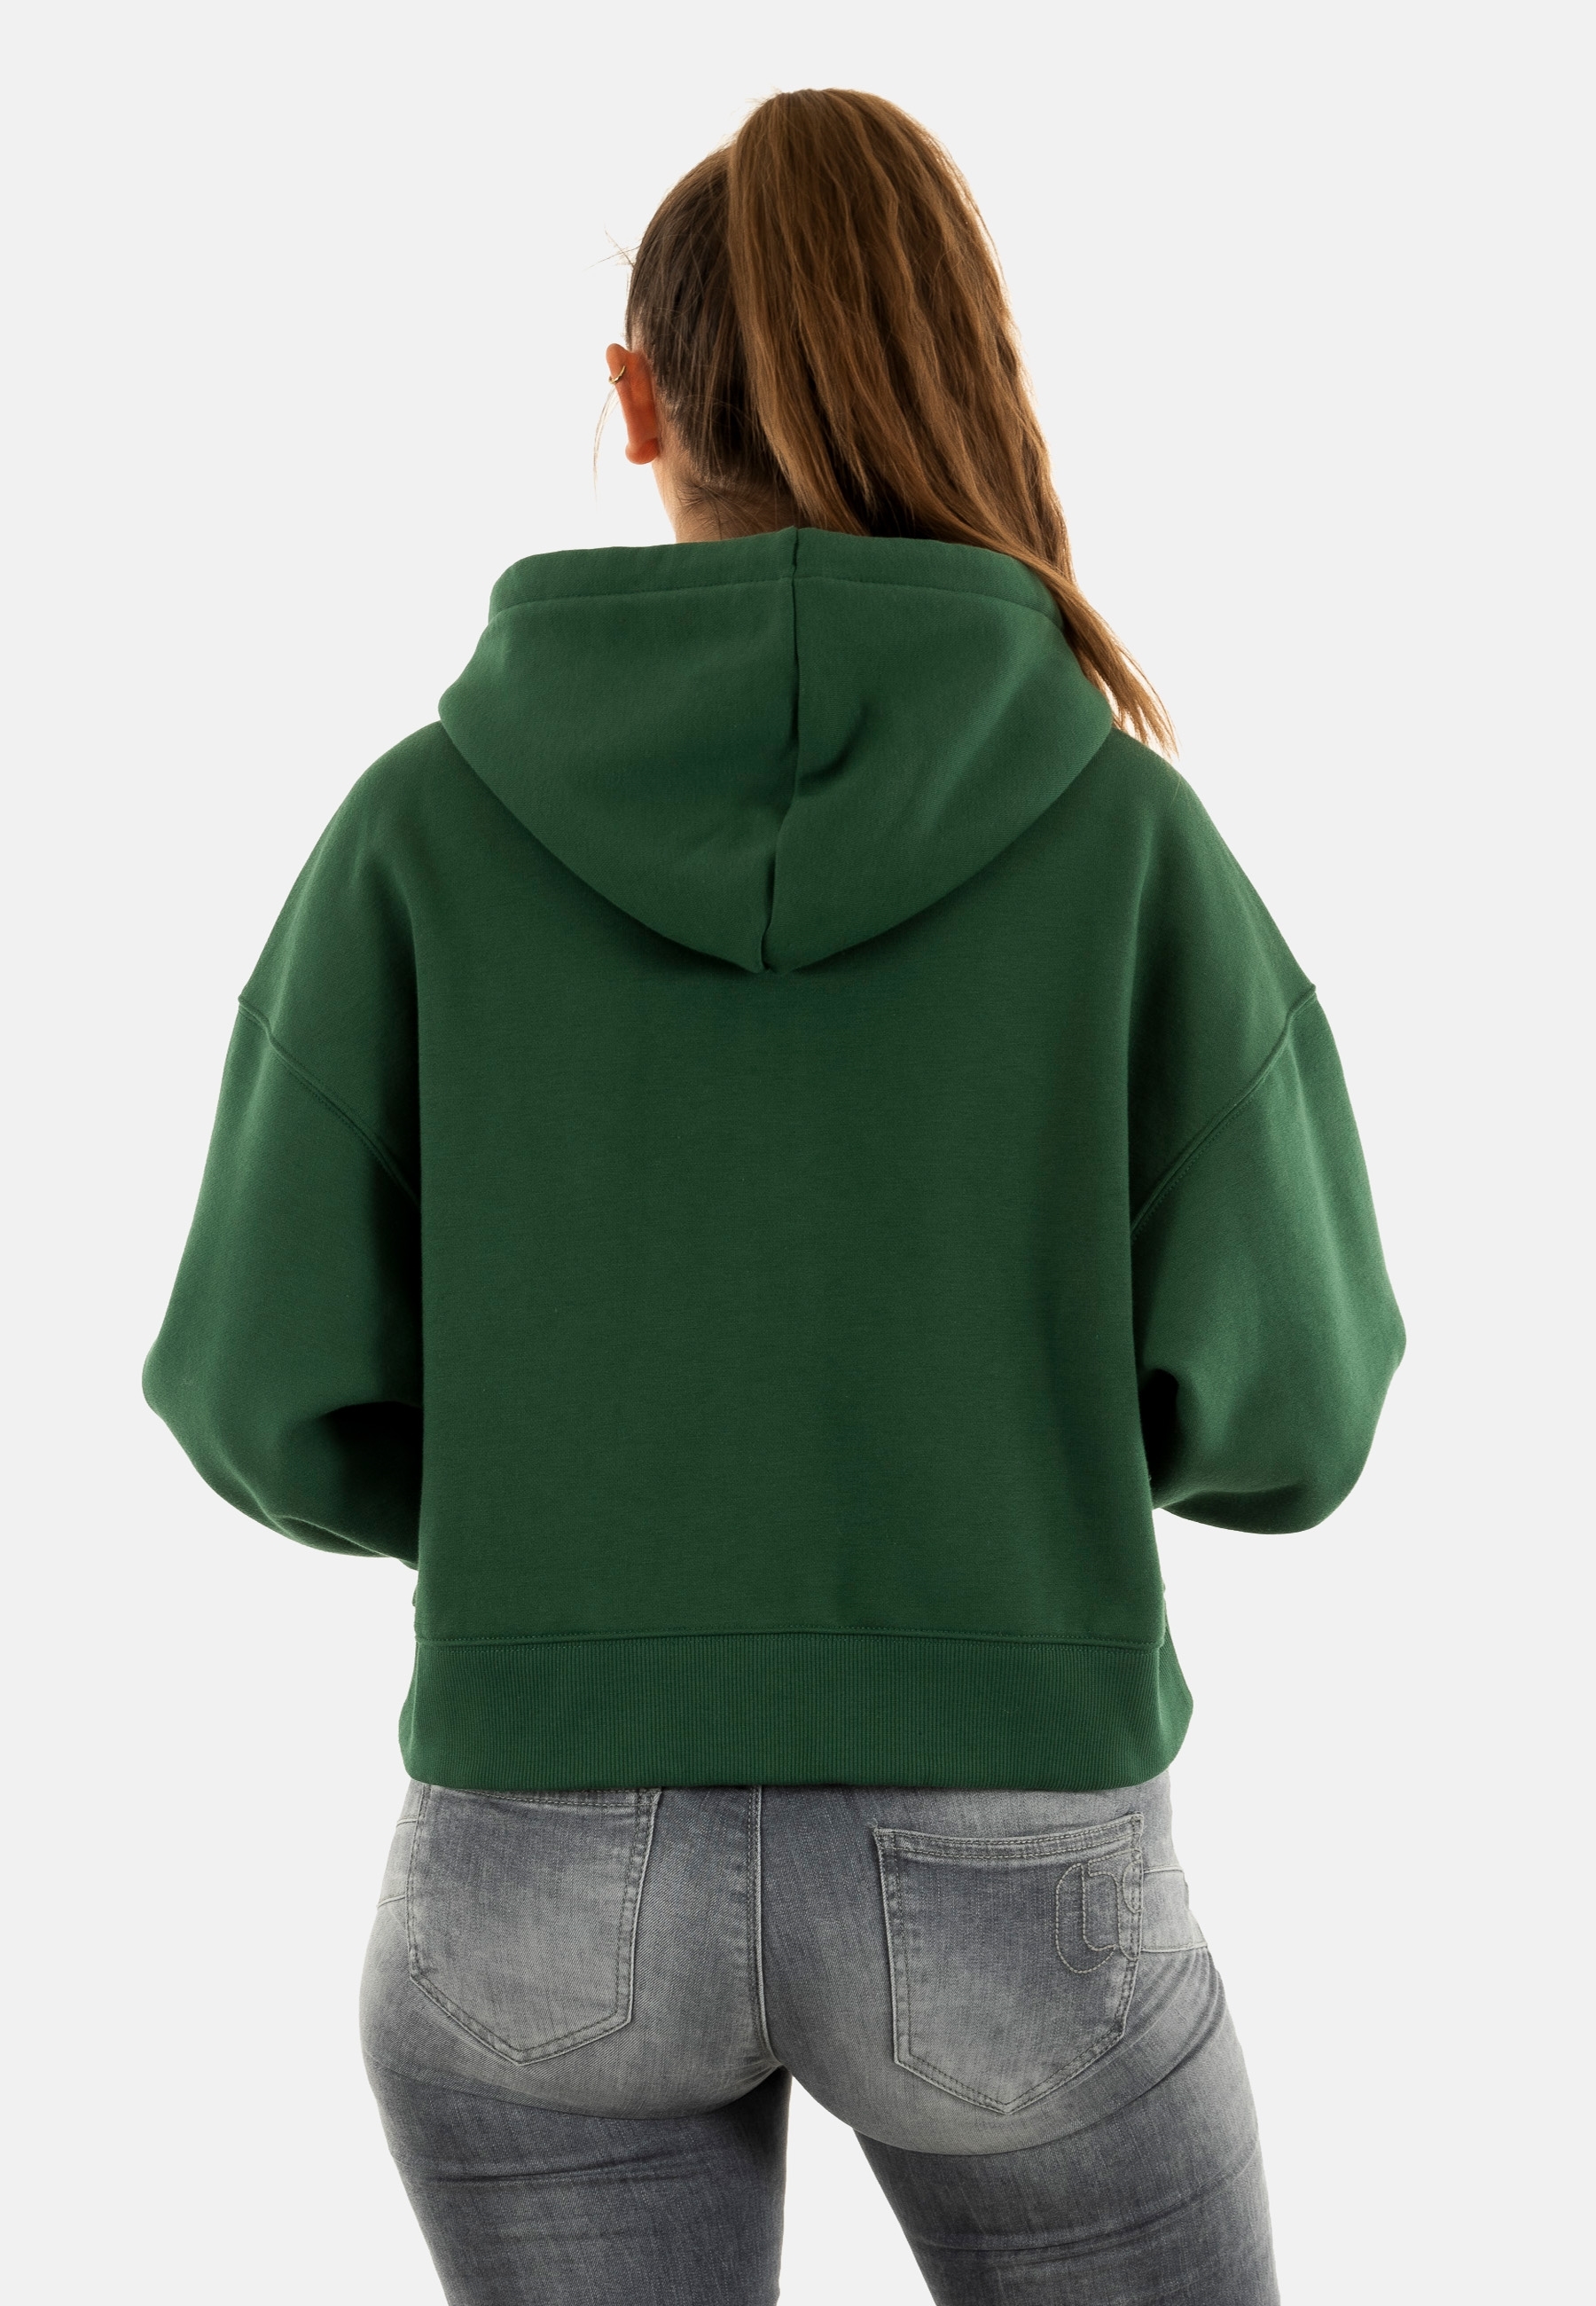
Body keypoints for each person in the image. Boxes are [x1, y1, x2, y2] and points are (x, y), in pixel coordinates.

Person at [144, 86, 1404, 2306]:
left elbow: (256, 1391)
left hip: (536, 1871)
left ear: (633, 400)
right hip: (1009, 1872)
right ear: (967, 379)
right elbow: (1296, 1422)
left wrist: (579, 1510)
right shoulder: (1122, 840)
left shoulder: (420, 830)